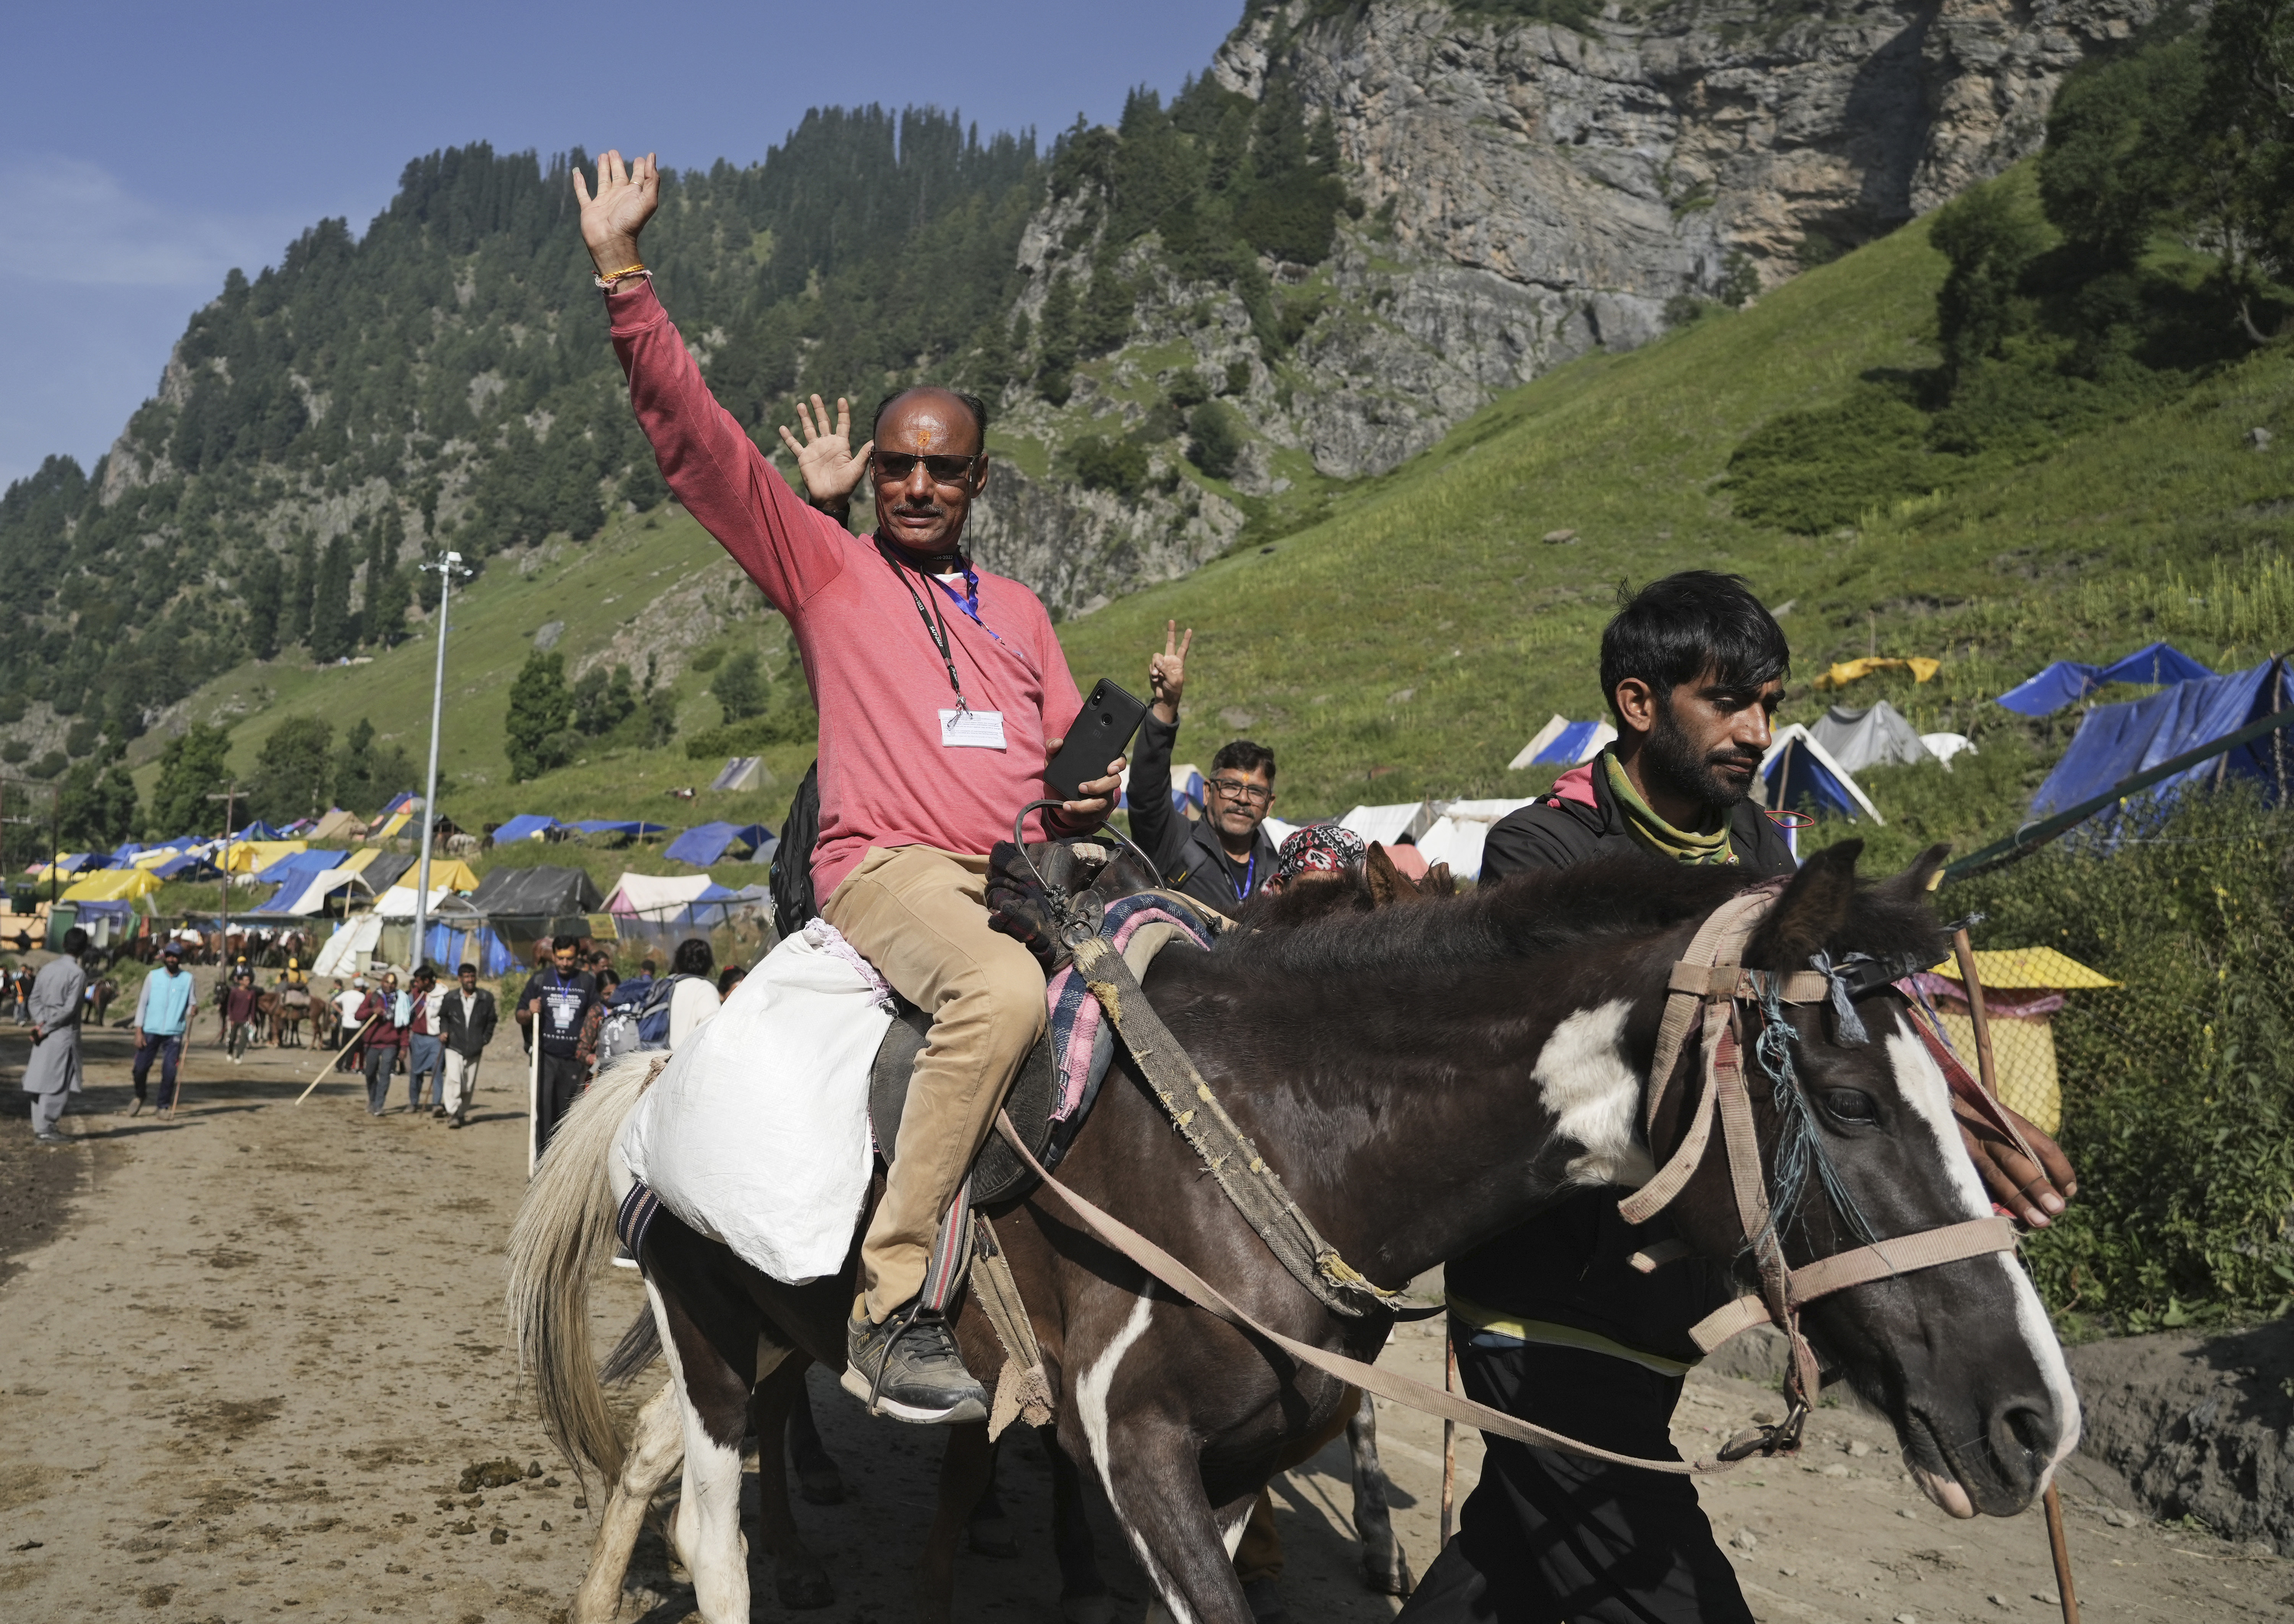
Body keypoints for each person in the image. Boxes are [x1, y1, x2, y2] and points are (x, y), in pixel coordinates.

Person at [1405, 572, 2077, 1624]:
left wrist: (1973, 1128)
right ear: (1639, 704)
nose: (1757, 728)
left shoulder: (1760, 844)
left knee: (1510, 1550)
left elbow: (1843, 1019)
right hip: (1545, 1300)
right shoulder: (1543, 850)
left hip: (1662, 1305)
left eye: (1767, 702)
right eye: (1727, 702)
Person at [577, 147, 1124, 1424]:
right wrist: (623, 271)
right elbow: (699, 450)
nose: (918, 485)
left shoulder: (1028, 614)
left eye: (942, 469)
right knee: (993, 993)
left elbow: (1041, 778)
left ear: (979, 481)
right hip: (889, 870)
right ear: (872, 476)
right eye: (897, 467)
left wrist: (1074, 809)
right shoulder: (829, 576)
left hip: (1024, 873)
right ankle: (891, 1305)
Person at [1126, 622, 1280, 911]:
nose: (1243, 799)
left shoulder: (1279, 869)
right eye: (1232, 786)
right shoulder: (1173, 841)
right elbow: (1146, 793)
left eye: (1256, 792)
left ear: (1269, 804)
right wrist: (1165, 706)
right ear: (1208, 792)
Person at [517, 940, 600, 1160]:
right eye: (561, 958)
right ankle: (541, 1166)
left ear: (577, 958)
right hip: (546, 1057)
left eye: (570, 959)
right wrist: (530, 1011)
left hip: (575, 1060)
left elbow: (597, 1013)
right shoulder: (539, 981)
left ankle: (561, 1166)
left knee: (567, 1116)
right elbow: (520, 1015)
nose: (565, 963)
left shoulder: (587, 982)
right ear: (553, 956)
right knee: (543, 1112)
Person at [21, 928, 89, 1144]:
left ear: (63, 945)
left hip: (43, 1031)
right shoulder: (78, 974)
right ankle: (47, 1127)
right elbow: (70, 1010)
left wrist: (40, 1023)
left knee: (40, 1078)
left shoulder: (48, 969)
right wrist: (48, 1027)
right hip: (62, 1033)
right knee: (57, 1082)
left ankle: (40, 1126)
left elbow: (34, 1000)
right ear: (84, 950)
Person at [131, 941, 197, 1118]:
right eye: (169, 955)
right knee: (140, 1068)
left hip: (174, 1032)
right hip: (150, 1030)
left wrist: (193, 1009)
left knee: (169, 1071)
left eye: (175, 956)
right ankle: (140, 1095)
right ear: (164, 957)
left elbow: (192, 1002)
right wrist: (139, 1030)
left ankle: (163, 1106)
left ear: (180, 959)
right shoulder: (153, 977)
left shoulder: (188, 979)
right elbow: (143, 1004)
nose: (171, 959)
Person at [439, 962, 497, 1130]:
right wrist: (444, 1031)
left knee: (468, 1084)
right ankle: (453, 1113)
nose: (470, 980)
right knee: (454, 1079)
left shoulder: (486, 998)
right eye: (466, 977)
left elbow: (492, 1021)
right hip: (454, 1045)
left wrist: (484, 1039)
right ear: (460, 979)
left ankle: (462, 1112)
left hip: (475, 1047)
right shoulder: (450, 998)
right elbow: (443, 1017)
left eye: (472, 976)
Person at [356, 971, 409, 1117]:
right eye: (387, 982)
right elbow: (358, 1015)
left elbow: (404, 1026)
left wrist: (404, 1047)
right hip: (372, 1043)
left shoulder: (401, 1000)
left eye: (393, 983)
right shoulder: (372, 997)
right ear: (382, 982)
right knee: (370, 1074)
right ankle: (372, 1100)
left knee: (385, 1074)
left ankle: (379, 1105)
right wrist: (373, 1011)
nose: (389, 985)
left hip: (390, 1044)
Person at [405, 965, 447, 1117]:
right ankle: (413, 1102)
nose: (416, 984)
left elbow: (448, 1016)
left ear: (427, 981)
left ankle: (437, 1104)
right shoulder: (415, 994)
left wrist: (446, 1032)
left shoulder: (444, 994)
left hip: (437, 1038)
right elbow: (406, 1012)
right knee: (416, 1072)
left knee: (437, 1071)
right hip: (418, 1037)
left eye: (418, 981)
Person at [666, 937, 721, 1049]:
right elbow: (713, 1034)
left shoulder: (666, 986)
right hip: (682, 1064)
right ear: (709, 965)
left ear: (678, 963)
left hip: (656, 1061)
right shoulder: (705, 989)